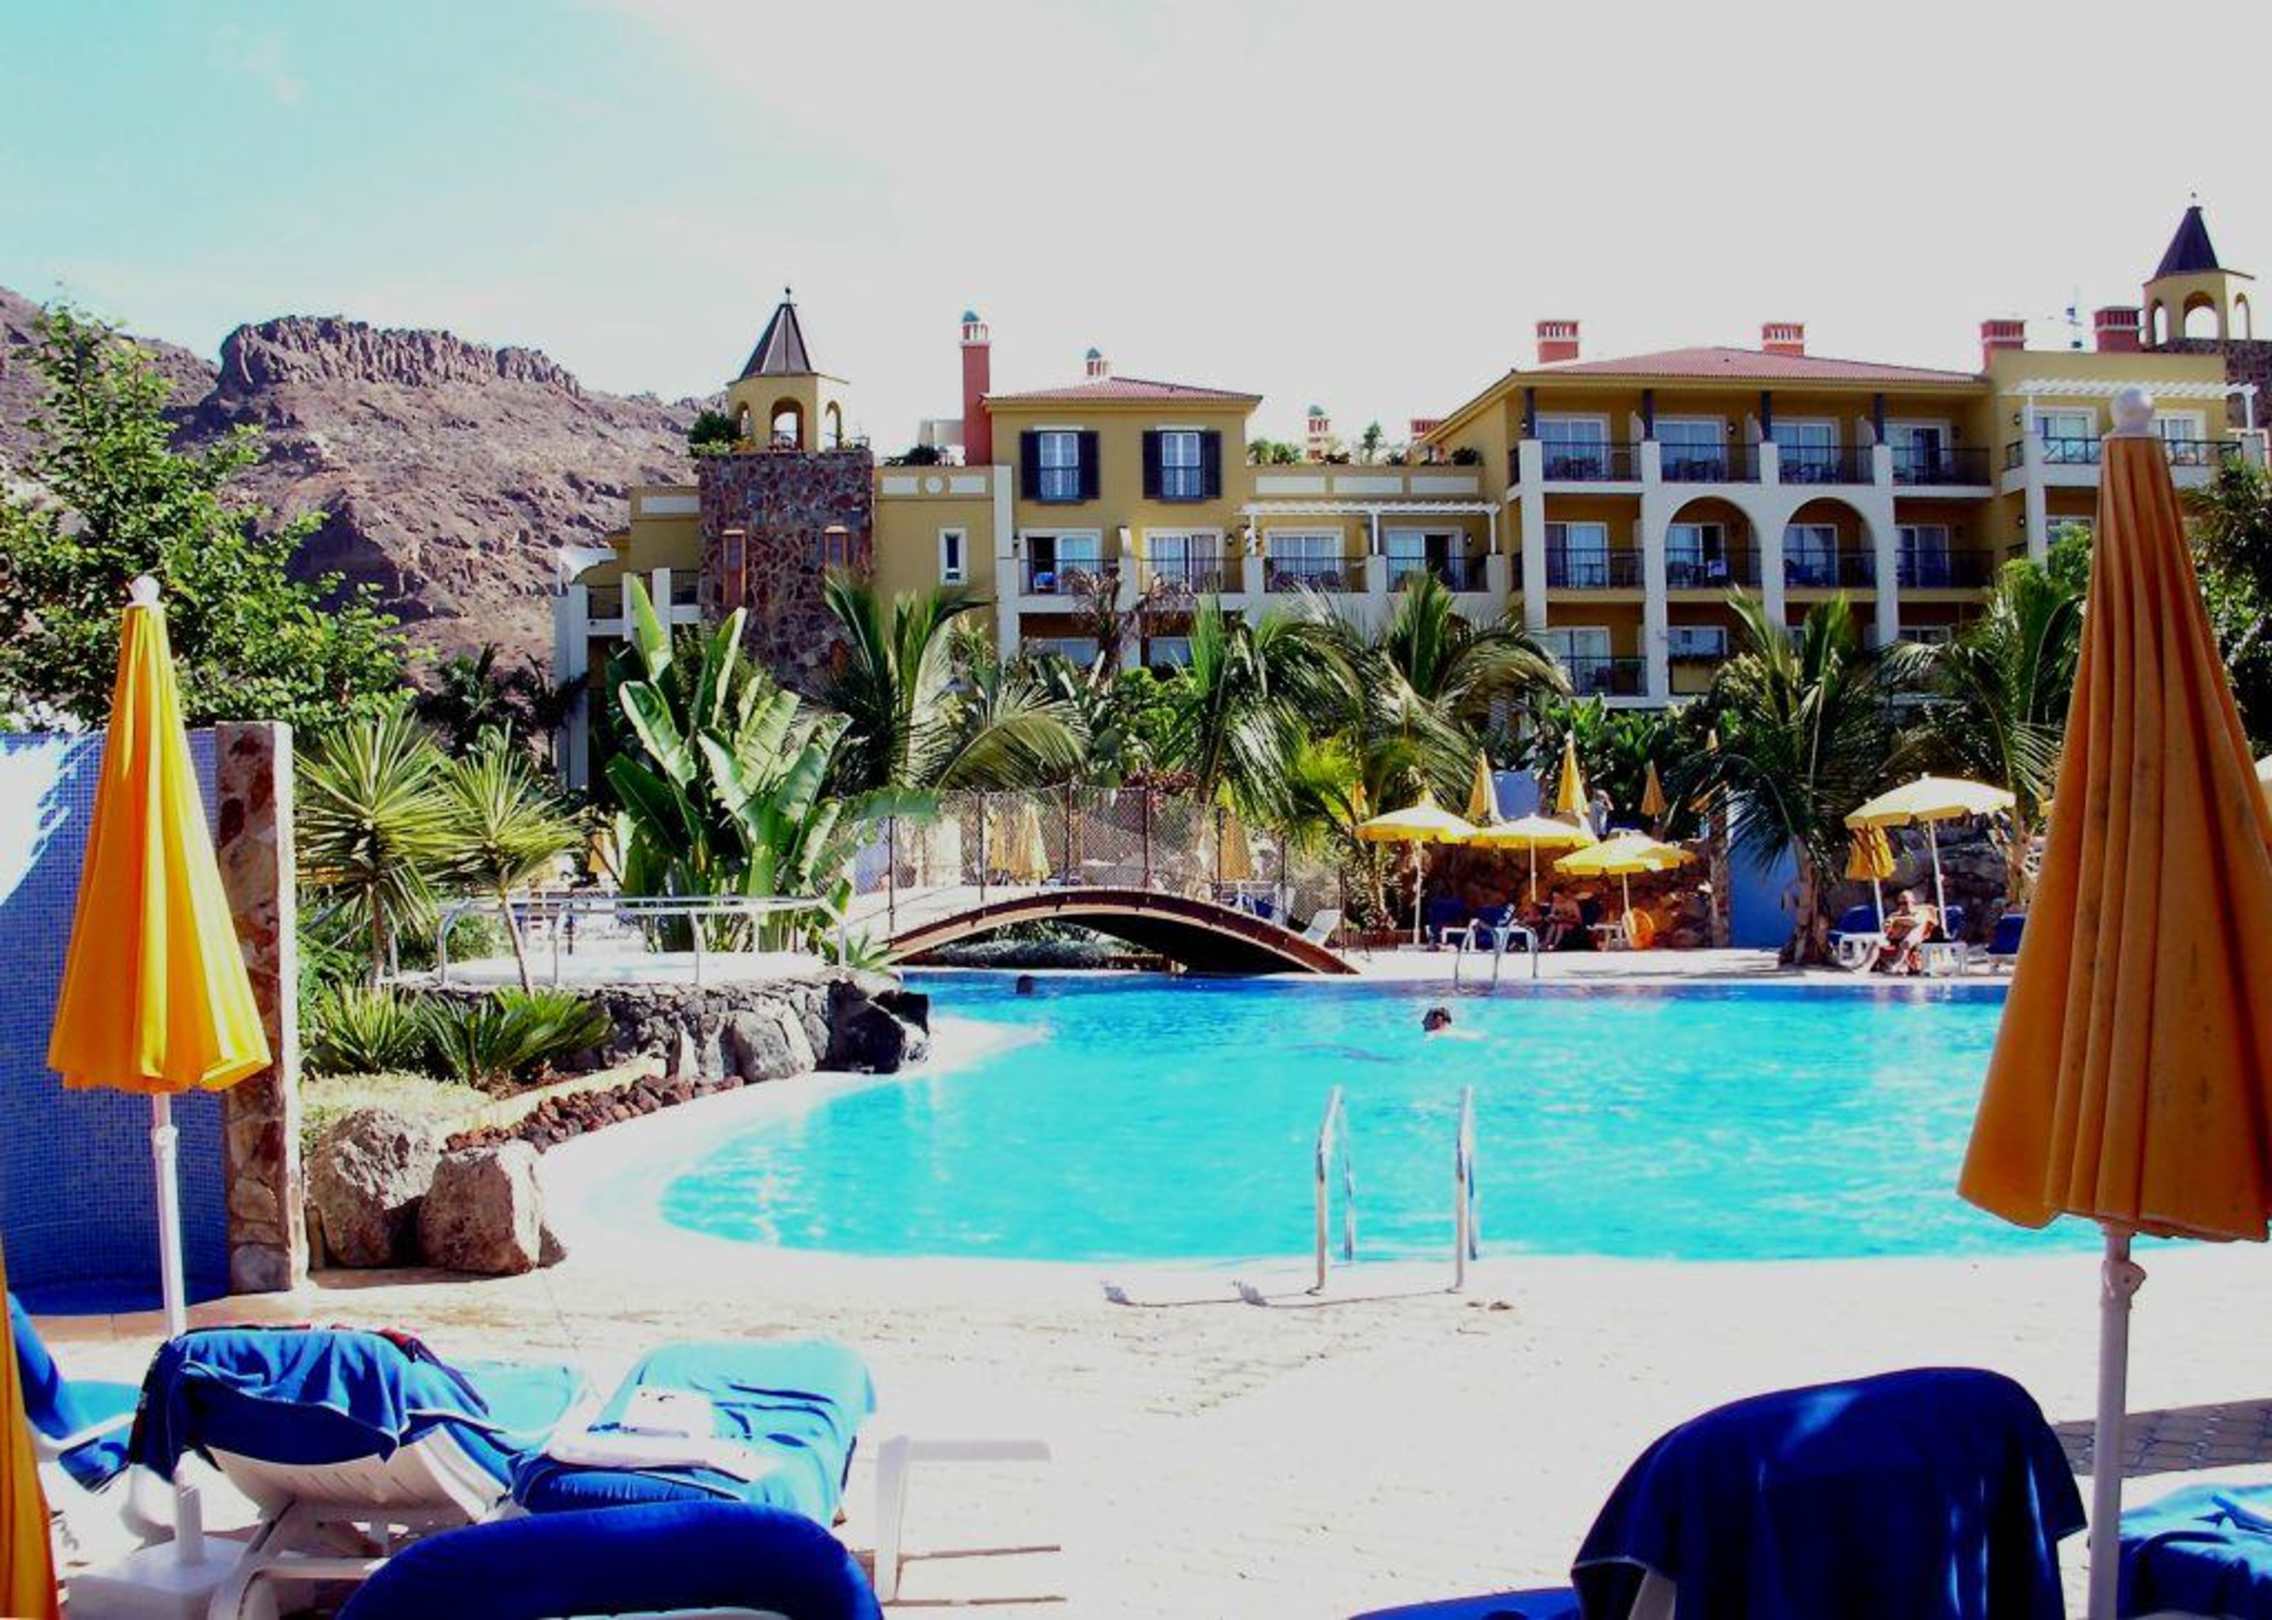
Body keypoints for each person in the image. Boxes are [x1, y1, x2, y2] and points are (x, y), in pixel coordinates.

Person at [1862, 889, 1939, 975]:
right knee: (1875, 942)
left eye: (1906, 903)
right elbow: (1885, 927)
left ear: (1913, 902)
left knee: (1907, 940)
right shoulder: (1895, 915)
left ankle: (1896, 966)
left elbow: (1915, 921)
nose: (1904, 906)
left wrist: (1896, 920)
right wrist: (1887, 924)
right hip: (1894, 940)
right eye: (1900, 904)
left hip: (1913, 941)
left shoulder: (1921, 912)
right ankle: (1865, 967)